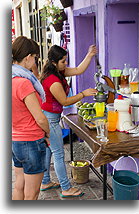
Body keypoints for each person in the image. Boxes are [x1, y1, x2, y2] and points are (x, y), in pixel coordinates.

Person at [40, 44, 97, 197]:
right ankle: (66, 188)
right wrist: (83, 94)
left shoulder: (58, 71)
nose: (66, 64)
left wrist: (90, 55)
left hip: (49, 117)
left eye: (66, 60)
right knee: (58, 154)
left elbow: (79, 70)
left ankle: (45, 181)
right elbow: (65, 101)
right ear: (54, 62)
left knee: (48, 152)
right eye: (63, 61)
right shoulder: (53, 80)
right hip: (50, 121)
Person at [12, 36, 50, 200]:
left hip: (15, 140)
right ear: (28, 57)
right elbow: (40, 118)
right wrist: (48, 133)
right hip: (31, 141)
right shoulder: (23, 83)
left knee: (19, 185)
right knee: (32, 193)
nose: (35, 62)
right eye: (35, 58)